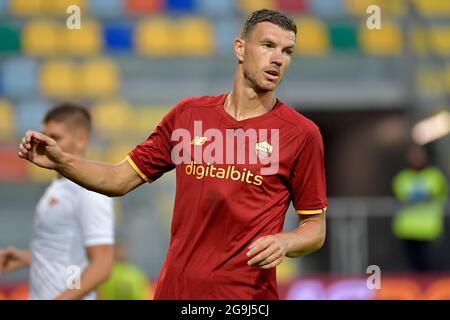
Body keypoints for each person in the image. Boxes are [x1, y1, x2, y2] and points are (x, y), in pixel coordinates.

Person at [17, 9, 327, 299]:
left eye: (287, 52)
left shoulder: (301, 134)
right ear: (240, 49)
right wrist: (63, 161)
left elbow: (315, 227)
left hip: (245, 299)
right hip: (174, 292)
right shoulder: (188, 116)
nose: (278, 59)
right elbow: (118, 179)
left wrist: (285, 241)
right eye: (268, 45)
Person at [0, 103, 115, 300]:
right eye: (44, 136)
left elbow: (102, 266)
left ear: (81, 140)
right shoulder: (58, 187)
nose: (46, 144)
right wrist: (25, 259)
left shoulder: (88, 191)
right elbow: (65, 256)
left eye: (56, 137)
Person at [392, 145, 448, 272]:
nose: (416, 159)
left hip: (429, 229)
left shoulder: (434, 175)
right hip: (407, 229)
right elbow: (402, 195)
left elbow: (434, 192)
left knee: (430, 264)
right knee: (412, 265)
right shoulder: (403, 177)